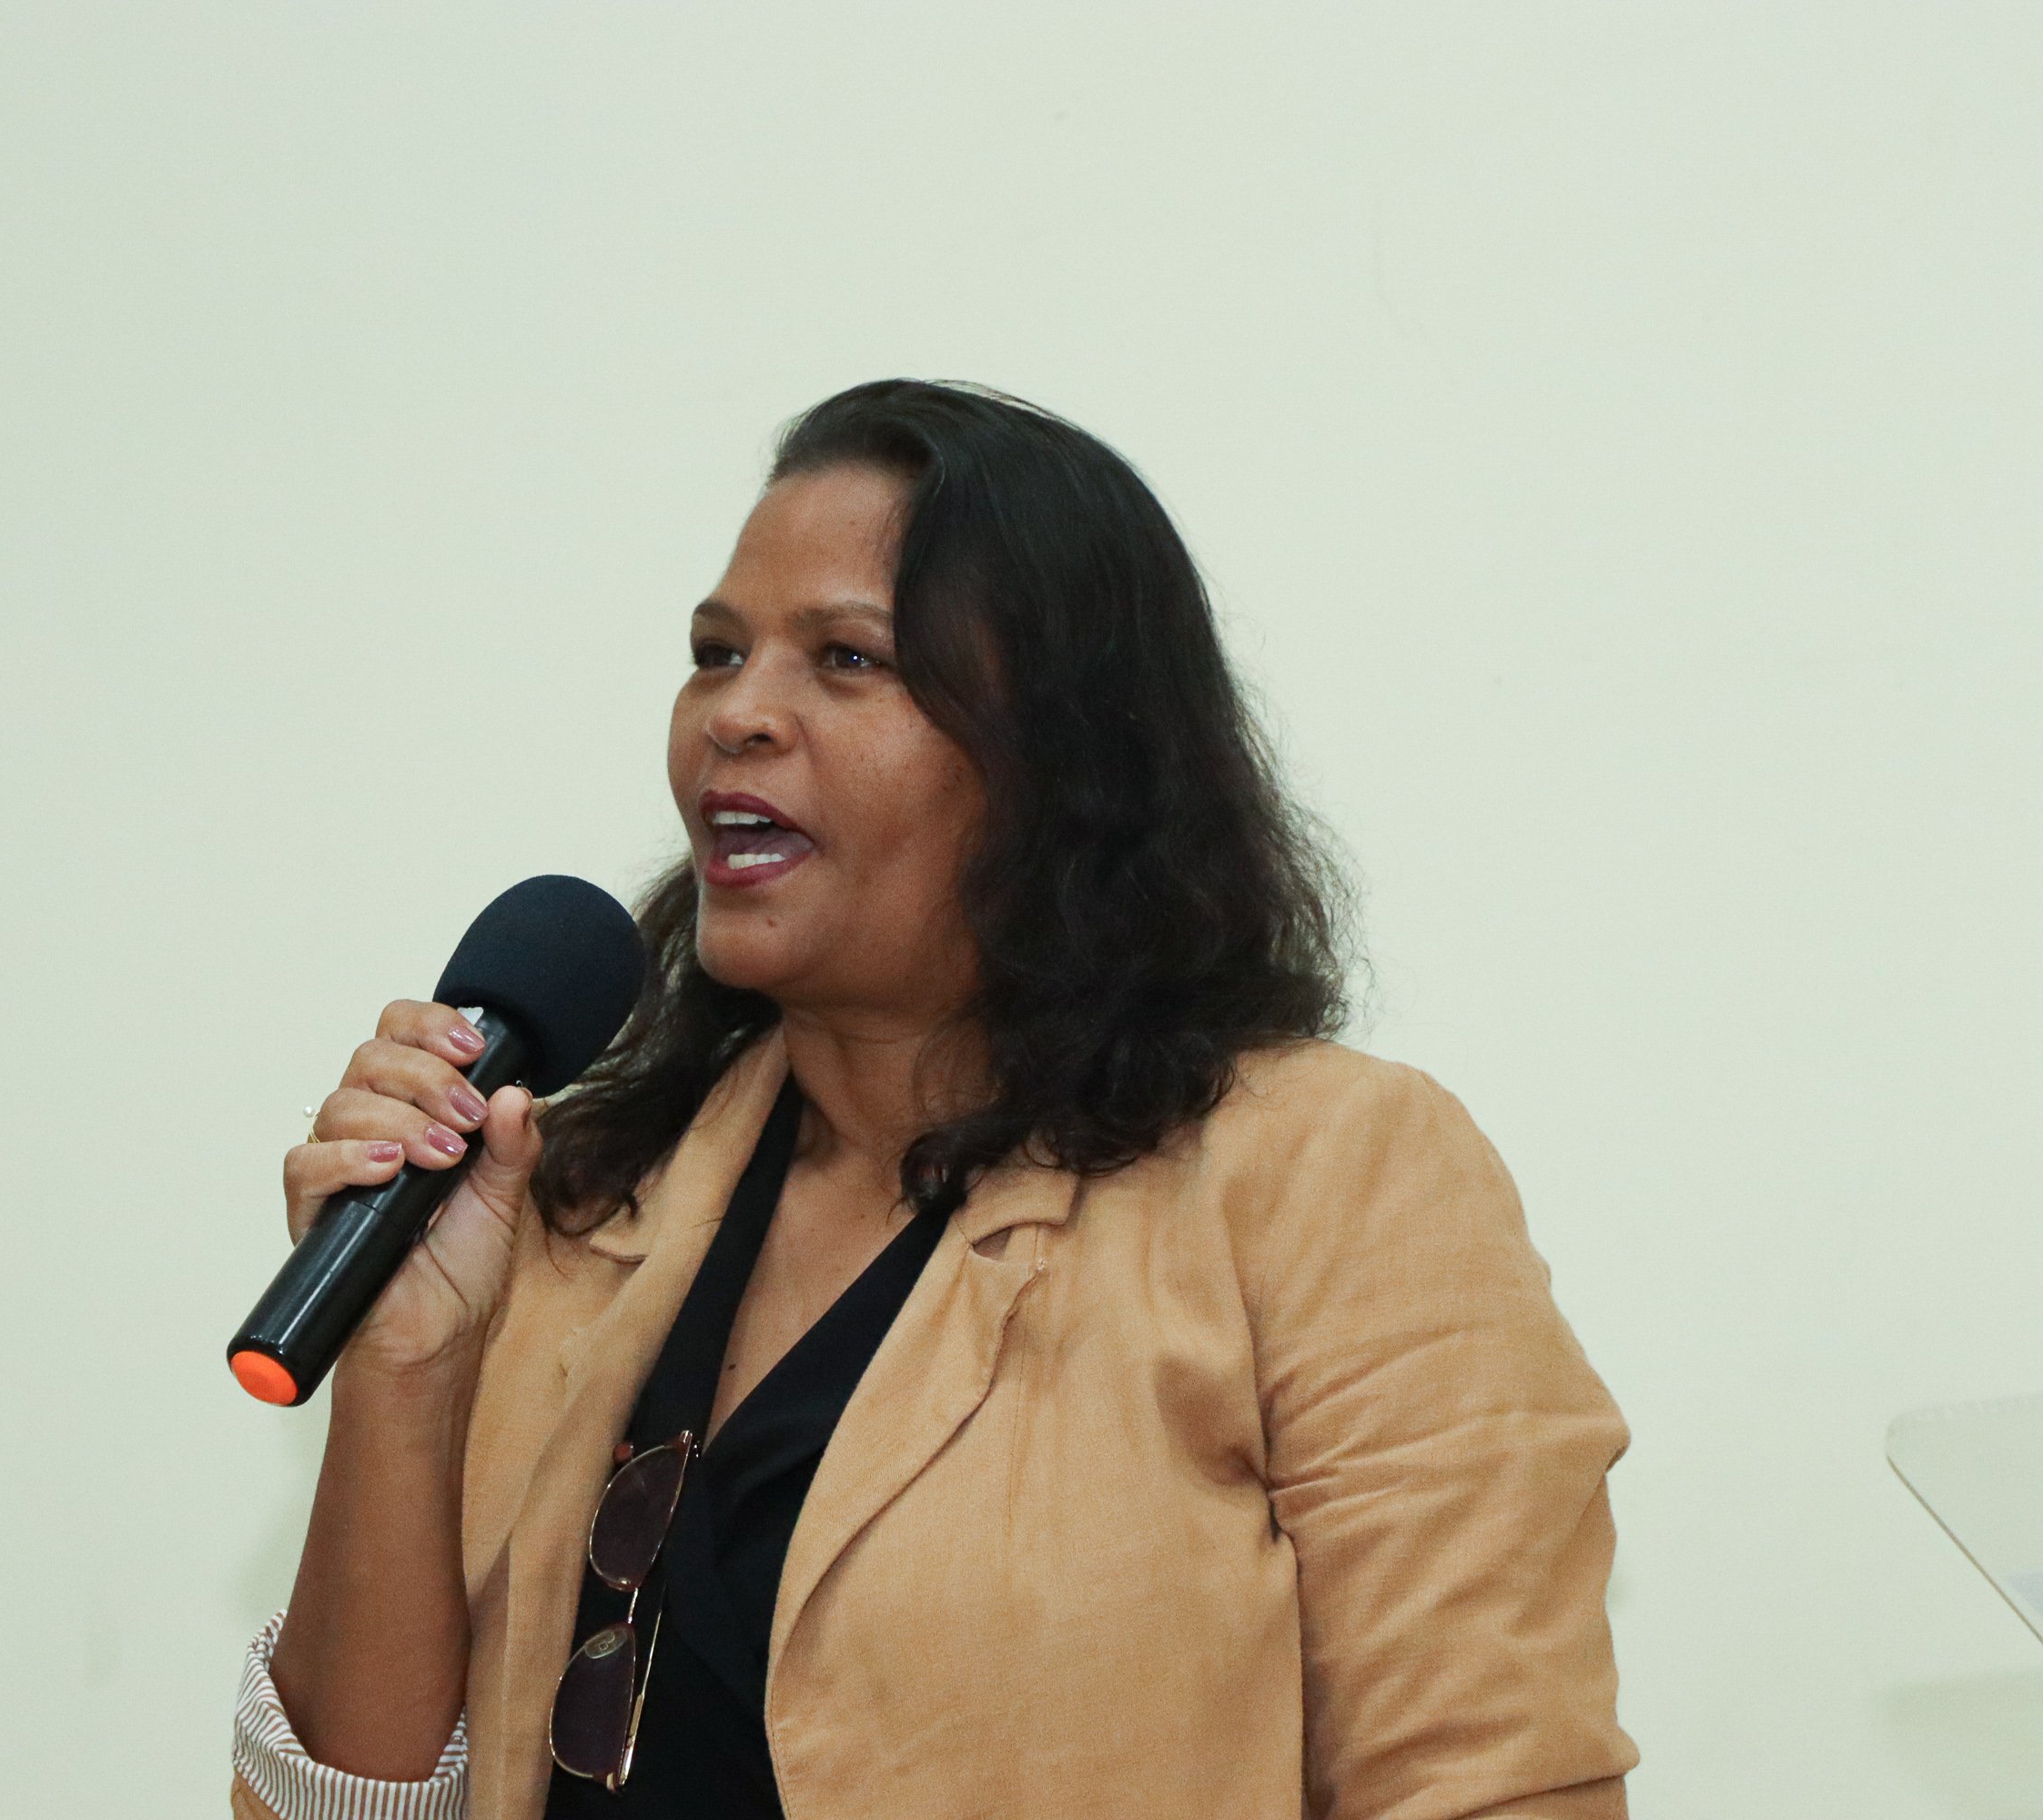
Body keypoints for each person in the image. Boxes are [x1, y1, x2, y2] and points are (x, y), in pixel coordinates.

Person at [234, 380, 1635, 1820]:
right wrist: (405, 1372)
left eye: (847, 659)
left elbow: (1495, 1786)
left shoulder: (1328, 1178)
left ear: (1062, 761)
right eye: (716, 655)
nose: (738, 715)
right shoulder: (580, 1202)